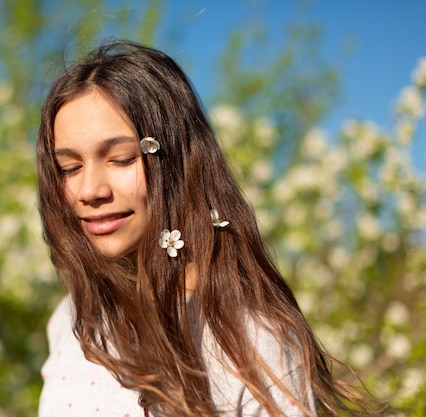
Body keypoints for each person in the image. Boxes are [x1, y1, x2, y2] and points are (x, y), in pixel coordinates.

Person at [36, 40, 380, 417]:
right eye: (69, 168)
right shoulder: (73, 319)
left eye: (121, 159)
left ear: (179, 162)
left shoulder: (252, 341)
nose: (90, 190)